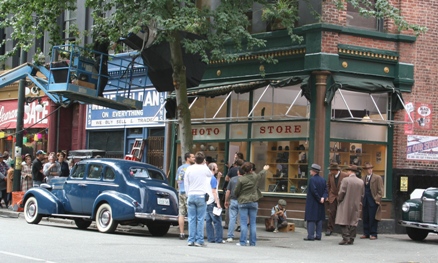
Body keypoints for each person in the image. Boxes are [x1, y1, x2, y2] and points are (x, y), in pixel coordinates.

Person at [234, 162, 268, 246]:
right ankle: (253, 242)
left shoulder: (241, 179)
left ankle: (243, 241)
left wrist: (238, 196)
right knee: (253, 223)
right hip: (253, 201)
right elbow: (260, 174)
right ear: (251, 170)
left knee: (243, 222)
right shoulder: (255, 177)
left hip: (243, 201)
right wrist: (264, 169)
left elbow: (236, 191)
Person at [183, 151, 212, 247]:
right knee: (200, 219)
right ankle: (199, 240)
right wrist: (204, 164)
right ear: (203, 160)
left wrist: (188, 194)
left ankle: (190, 240)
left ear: (195, 159)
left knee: (191, 219)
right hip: (201, 195)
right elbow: (210, 175)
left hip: (191, 194)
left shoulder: (189, 169)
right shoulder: (204, 169)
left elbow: (186, 182)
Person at [335, 165, 364, 245]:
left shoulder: (345, 180)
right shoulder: (360, 181)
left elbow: (342, 192)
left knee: (343, 220)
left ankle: (345, 238)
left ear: (350, 171)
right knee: (353, 221)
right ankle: (351, 238)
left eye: (348, 171)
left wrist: (339, 200)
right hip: (356, 203)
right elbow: (362, 194)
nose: (347, 172)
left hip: (345, 202)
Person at [304, 163, 328, 241]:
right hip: (320, 203)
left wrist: (319, 198)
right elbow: (326, 190)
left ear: (314, 171)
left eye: (311, 170)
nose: (310, 171)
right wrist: (323, 198)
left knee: (311, 219)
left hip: (312, 202)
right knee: (319, 219)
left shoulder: (312, 180)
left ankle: (310, 236)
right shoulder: (323, 180)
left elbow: (313, 191)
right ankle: (318, 235)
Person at [361, 162, 383, 240]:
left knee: (373, 217)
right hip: (365, 200)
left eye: (370, 168)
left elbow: (380, 190)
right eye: (367, 169)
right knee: (365, 217)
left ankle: (373, 233)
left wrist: (377, 199)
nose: (369, 170)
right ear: (365, 170)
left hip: (373, 200)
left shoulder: (377, 178)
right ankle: (366, 233)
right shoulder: (363, 178)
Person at [176, 152, 195, 240]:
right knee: (191, 213)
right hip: (189, 192)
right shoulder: (192, 168)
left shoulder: (180, 168)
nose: (194, 158)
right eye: (192, 157)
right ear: (188, 158)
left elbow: (178, 181)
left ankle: (181, 233)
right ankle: (192, 234)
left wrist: (180, 189)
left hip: (181, 192)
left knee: (181, 213)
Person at [325, 162, 348, 236]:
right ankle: (329, 229)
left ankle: (344, 230)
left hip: (341, 196)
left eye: (332, 170)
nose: (331, 171)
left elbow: (347, 186)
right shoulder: (330, 175)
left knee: (342, 214)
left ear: (335, 170)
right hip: (332, 196)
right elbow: (328, 185)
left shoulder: (344, 175)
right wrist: (329, 195)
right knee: (332, 212)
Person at [205, 162, 225, 244]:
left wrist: (218, 178)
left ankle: (210, 238)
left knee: (208, 221)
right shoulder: (212, 178)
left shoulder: (207, 178)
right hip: (212, 201)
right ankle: (218, 238)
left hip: (207, 201)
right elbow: (214, 191)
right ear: (213, 168)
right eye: (216, 167)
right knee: (217, 221)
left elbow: (214, 187)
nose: (217, 168)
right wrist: (218, 203)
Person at [224, 166, 244, 242]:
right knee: (242, 218)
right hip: (242, 201)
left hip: (233, 200)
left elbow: (228, 191)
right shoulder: (245, 179)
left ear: (238, 172)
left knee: (232, 218)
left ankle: (230, 236)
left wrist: (226, 200)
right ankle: (243, 236)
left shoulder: (232, 179)